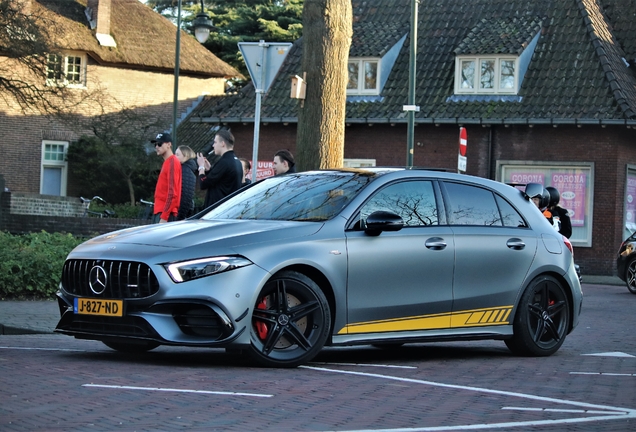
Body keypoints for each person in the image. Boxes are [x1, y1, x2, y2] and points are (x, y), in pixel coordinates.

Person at [196, 129, 243, 209]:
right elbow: (220, 182)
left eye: (215, 142)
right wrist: (209, 170)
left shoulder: (224, 162)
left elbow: (203, 184)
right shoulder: (237, 161)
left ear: (222, 143)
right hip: (228, 208)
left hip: (217, 210)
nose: (213, 145)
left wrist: (201, 167)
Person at [151, 132, 181, 223]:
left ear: (169, 145)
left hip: (165, 213)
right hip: (161, 211)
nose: (157, 147)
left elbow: (172, 193)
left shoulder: (172, 162)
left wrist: (164, 216)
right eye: (155, 144)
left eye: (159, 144)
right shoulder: (168, 162)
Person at [175, 145, 197, 220]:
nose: (175, 156)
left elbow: (185, 195)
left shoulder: (185, 170)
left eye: (177, 154)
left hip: (180, 214)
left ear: (185, 156)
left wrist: (179, 217)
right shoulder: (187, 169)